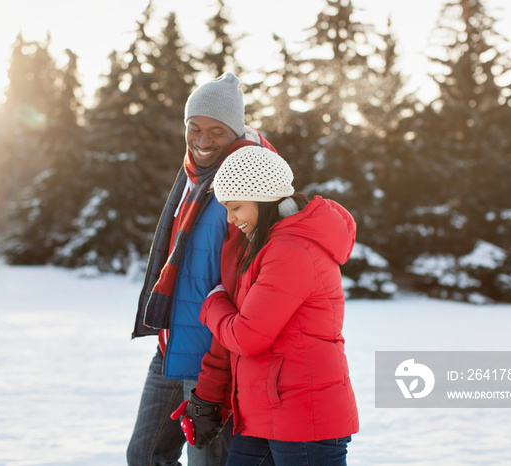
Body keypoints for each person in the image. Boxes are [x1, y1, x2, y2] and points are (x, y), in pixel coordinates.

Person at [128, 72, 277, 466]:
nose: (203, 140)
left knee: (208, 462)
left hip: (213, 353)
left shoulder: (246, 182)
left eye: (216, 130)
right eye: (194, 128)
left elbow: (246, 286)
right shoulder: (193, 176)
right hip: (173, 343)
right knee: (144, 456)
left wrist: (217, 371)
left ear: (237, 131)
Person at [193, 146, 360, 465]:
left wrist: (213, 303)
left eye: (236, 207)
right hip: (266, 413)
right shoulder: (267, 245)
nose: (231, 219)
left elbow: (247, 336)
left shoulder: (291, 251)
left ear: (261, 197)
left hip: (303, 419)